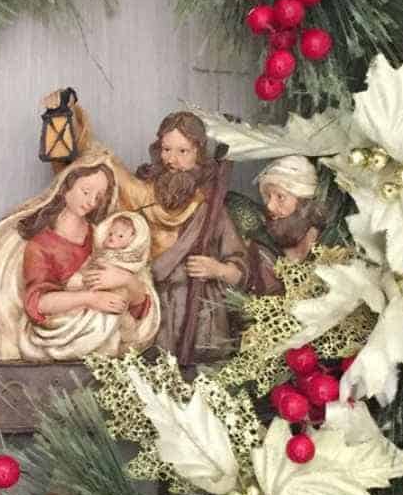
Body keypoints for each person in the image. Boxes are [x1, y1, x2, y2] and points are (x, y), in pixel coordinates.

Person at [40, 95, 258, 356]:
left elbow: (242, 270)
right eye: (167, 150)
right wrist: (66, 114)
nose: (172, 160)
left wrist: (218, 269)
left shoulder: (210, 210)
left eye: (183, 151)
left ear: (199, 154)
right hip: (148, 309)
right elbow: (93, 165)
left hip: (199, 316)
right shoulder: (140, 194)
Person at [0, 157, 155, 362]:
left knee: (112, 316)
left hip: (100, 325)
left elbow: (140, 308)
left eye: (99, 196)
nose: (91, 201)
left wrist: (125, 280)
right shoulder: (40, 245)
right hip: (58, 331)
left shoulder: (103, 238)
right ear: (66, 187)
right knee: (104, 317)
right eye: (86, 191)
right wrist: (91, 299)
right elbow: (37, 305)